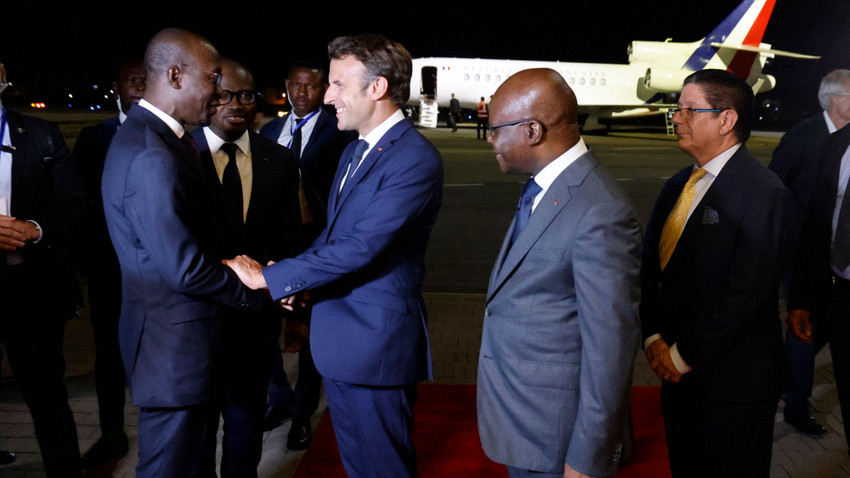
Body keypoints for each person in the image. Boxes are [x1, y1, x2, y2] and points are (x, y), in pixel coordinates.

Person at [224, 34, 443, 478]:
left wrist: (272, 278)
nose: (327, 96)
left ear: (377, 88)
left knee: (383, 469)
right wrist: (294, 283)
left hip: (375, 349)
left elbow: (361, 247)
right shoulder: (354, 152)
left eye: (339, 84)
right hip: (342, 342)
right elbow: (331, 237)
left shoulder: (413, 160)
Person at [100, 29, 265, 477]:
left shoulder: (157, 138)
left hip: (181, 349)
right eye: (212, 79)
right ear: (175, 75)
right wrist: (257, 287)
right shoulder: (153, 153)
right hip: (175, 354)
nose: (217, 94)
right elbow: (186, 270)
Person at [476, 68, 641, 478]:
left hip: (557, 439)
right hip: (528, 423)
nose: (490, 139)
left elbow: (611, 349)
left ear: (532, 130)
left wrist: (587, 457)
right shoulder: (548, 187)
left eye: (495, 128)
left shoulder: (598, 209)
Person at [640, 69, 796, 478]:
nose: (677, 117)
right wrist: (654, 337)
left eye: (689, 109)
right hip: (677, 376)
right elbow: (651, 269)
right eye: (678, 109)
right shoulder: (678, 185)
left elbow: (746, 295)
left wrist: (681, 355)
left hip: (733, 387)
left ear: (726, 120)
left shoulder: (765, 193)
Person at [192, 57, 302, 477]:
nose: (235, 104)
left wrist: (296, 314)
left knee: (245, 424)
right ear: (207, 97)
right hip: (198, 319)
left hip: (256, 320)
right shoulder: (181, 155)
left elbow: (290, 240)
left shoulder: (280, 160)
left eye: (246, 95)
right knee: (198, 430)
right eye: (222, 95)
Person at [259, 63, 356, 449]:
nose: (302, 92)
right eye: (295, 85)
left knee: (311, 337)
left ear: (323, 90)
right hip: (271, 248)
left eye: (311, 86)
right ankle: (278, 397)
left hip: (314, 246)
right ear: (286, 87)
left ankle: (302, 414)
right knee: (266, 332)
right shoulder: (268, 131)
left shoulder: (339, 133)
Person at [0, 58, 89, 475]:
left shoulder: (41, 133)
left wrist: (32, 229)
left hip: (29, 291)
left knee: (47, 394)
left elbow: (77, 207)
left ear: (2, 74)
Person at [71, 58, 145, 469]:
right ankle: (112, 434)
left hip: (153, 270)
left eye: (142, 80)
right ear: (116, 88)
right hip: (108, 271)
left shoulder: (172, 136)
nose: (137, 86)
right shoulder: (93, 138)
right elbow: (82, 207)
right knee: (108, 358)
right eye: (130, 81)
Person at [768, 69, 850, 437]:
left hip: (833, 257)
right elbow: (773, 190)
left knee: (819, 330)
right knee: (803, 334)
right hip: (803, 254)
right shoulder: (801, 139)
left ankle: (783, 379)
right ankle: (795, 406)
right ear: (835, 101)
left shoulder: (844, 140)